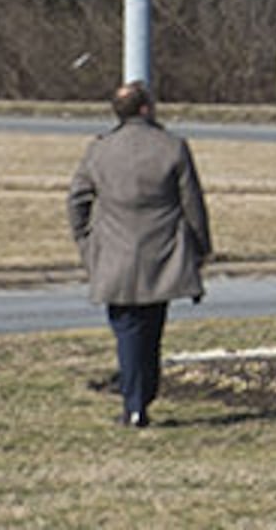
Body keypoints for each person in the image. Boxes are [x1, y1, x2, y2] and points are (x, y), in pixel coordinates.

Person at [68, 81, 211, 429]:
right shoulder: (173, 147)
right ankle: (142, 396)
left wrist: (86, 243)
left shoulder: (99, 150)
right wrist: (201, 247)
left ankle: (135, 403)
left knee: (126, 329)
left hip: (114, 254)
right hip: (161, 253)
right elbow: (192, 204)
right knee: (151, 328)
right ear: (146, 109)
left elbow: (77, 201)